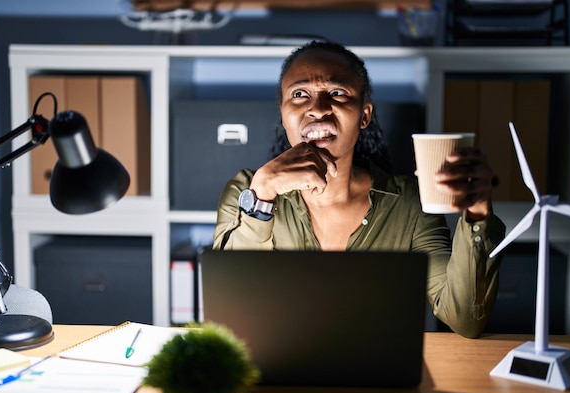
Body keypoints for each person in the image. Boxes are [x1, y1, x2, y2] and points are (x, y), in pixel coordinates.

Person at [213, 41, 506, 339]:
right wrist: (262, 194)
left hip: (377, 377)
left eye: (337, 93)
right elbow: (226, 308)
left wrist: (478, 210)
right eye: (300, 94)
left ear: (364, 115)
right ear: (283, 114)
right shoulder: (247, 190)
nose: (317, 109)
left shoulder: (408, 204)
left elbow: (466, 319)